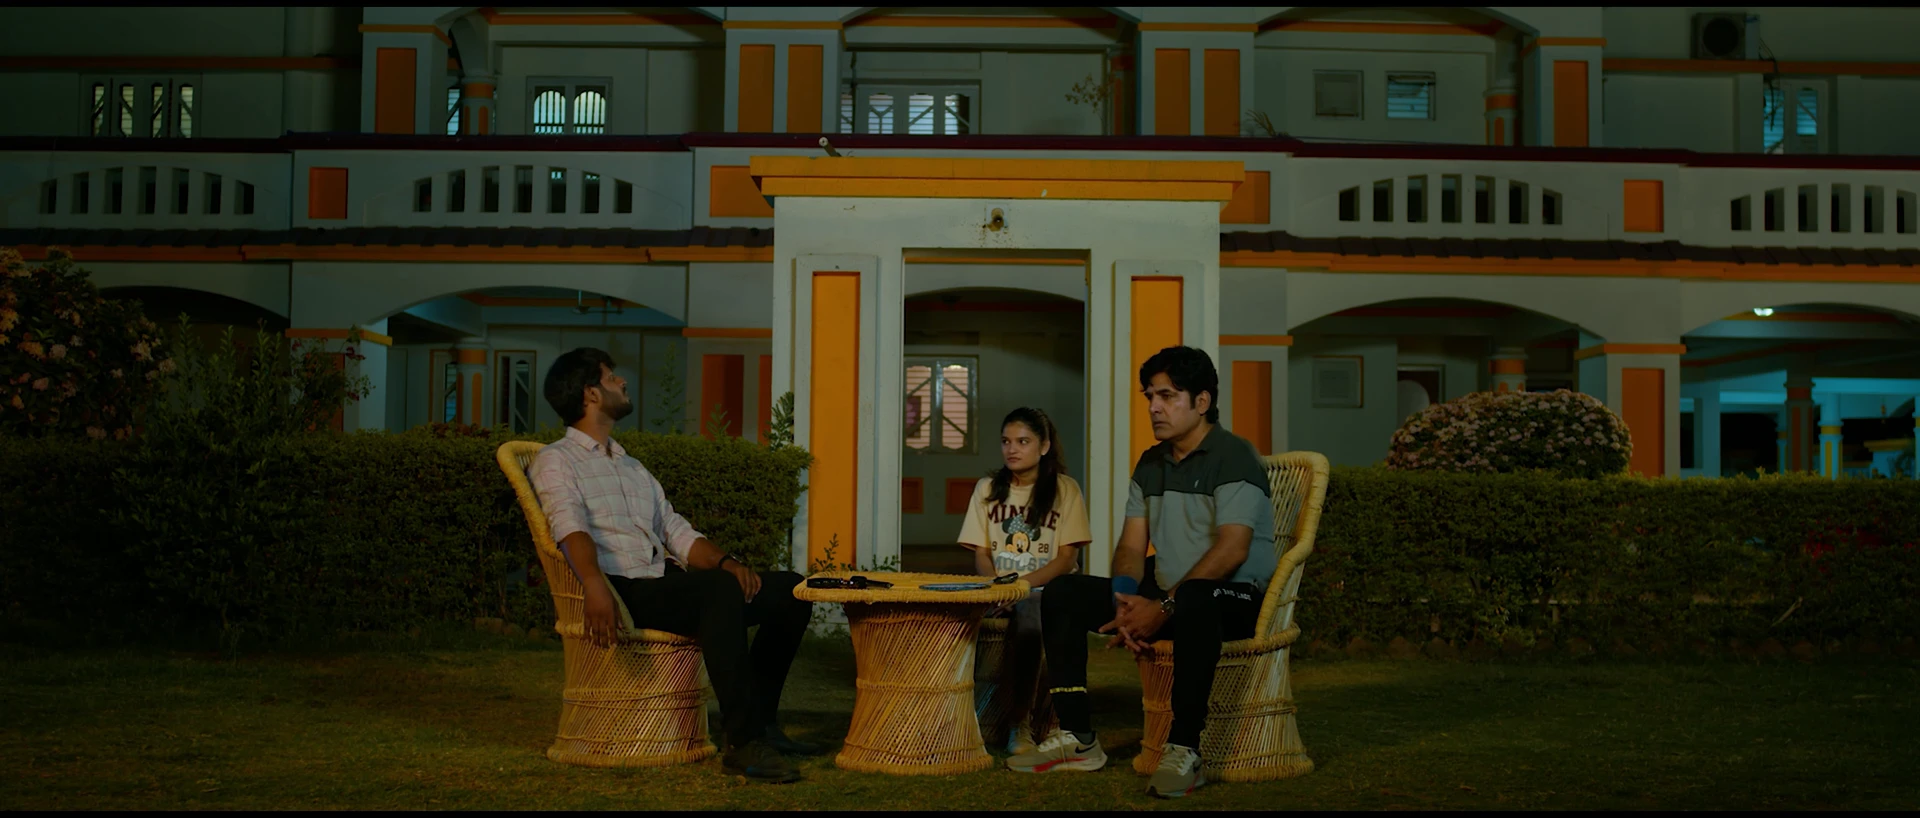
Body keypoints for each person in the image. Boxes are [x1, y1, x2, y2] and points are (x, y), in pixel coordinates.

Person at [528, 347, 821, 784]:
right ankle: (743, 743)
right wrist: (593, 584)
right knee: (717, 590)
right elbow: (569, 527)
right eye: (611, 377)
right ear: (591, 393)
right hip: (623, 590)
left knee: (791, 591)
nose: (622, 382)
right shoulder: (557, 460)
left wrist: (727, 561)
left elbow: (675, 530)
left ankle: (762, 721)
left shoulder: (630, 465)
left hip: (665, 583)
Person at [1007, 346, 1276, 800]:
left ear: (1202, 401)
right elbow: (1132, 546)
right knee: (1063, 591)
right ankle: (1077, 738)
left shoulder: (1233, 456)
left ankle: (1185, 749)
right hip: (1166, 597)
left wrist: (1164, 606)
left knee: (1196, 597)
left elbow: (1232, 549)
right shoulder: (1151, 463)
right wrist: (1125, 600)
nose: (1154, 407)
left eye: (1167, 396)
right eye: (1150, 396)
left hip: (1232, 599)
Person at [957, 407, 1091, 755]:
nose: (1012, 449)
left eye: (1023, 441)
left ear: (1044, 446)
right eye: (1006, 441)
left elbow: (1066, 559)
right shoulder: (988, 489)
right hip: (999, 591)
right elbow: (982, 554)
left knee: (1030, 612)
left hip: (1046, 592)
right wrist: (998, 588)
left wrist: (1021, 587)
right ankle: (960, 718)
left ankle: (1021, 724)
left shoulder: (1065, 490)